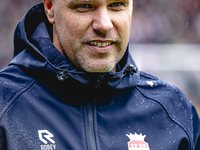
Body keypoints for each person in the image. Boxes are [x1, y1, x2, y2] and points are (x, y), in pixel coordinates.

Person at [0, 0, 199, 149]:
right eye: (85, 6)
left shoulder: (175, 113)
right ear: (50, 7)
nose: (104, 24)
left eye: (117, 4)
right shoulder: (5, 105)